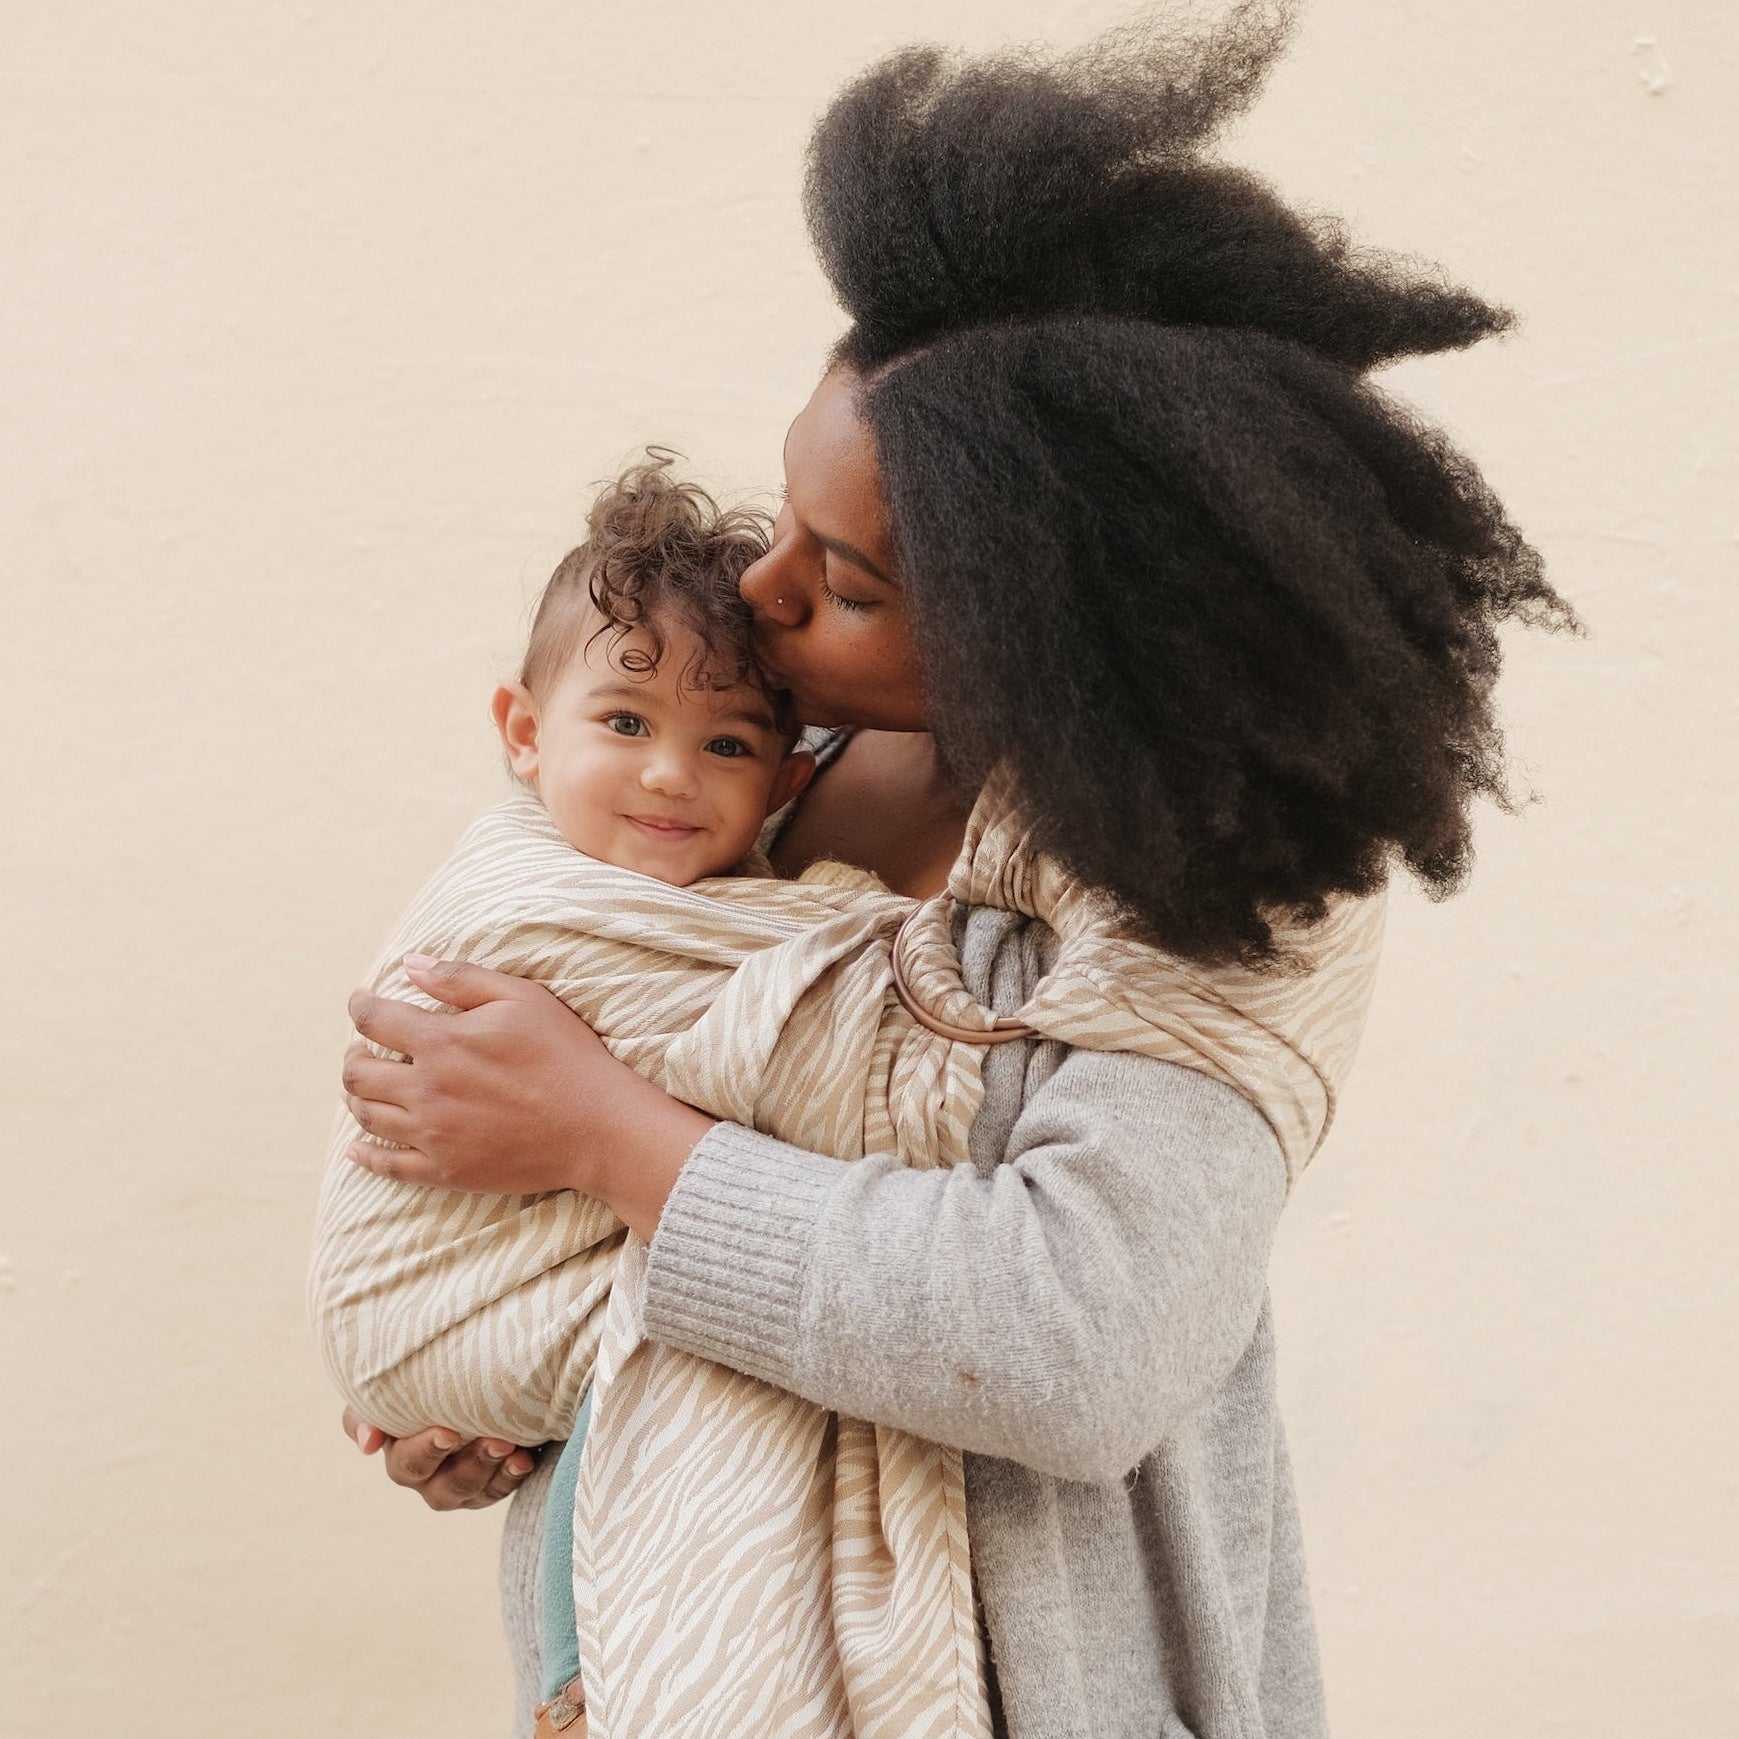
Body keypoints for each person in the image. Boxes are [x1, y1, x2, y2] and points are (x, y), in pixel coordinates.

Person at [337, 9, 1578, 1737]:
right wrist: (485, 1378)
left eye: (845, 582)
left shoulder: (1218, 880)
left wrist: (603, 1136)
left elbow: (1079, 1347)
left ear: (1033, 621)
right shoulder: (760, 780)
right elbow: (613, 1238)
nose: (758, 593)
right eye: (788, 517)